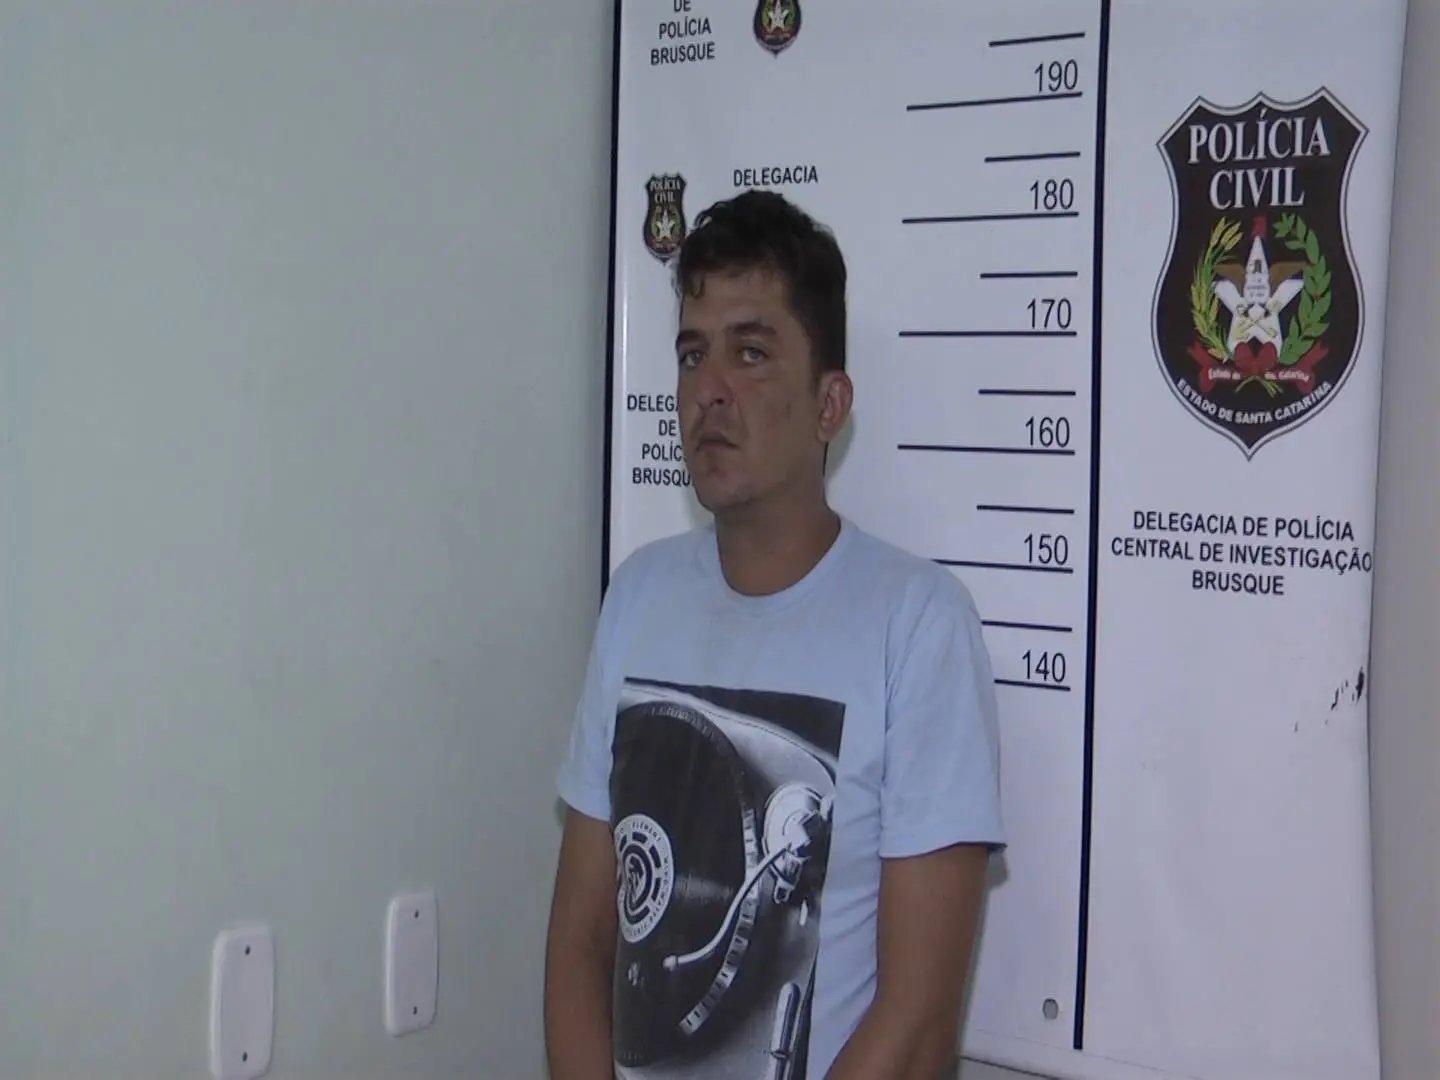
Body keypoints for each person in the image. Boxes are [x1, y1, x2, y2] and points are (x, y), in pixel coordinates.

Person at [543, 189, 1004, 1080]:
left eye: (750, 352)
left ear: (830, 405)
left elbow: (916, 1023)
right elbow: (580, 941)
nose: (709, 390)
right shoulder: (637, 598)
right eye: (692, 354)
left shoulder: (918, 626)